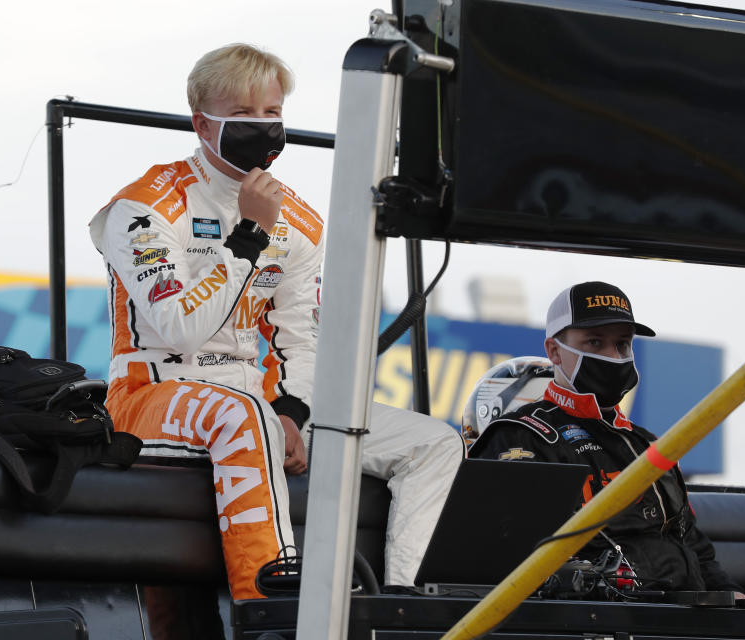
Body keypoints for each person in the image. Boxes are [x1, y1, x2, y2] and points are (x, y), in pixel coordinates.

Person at [89, 44, 465, 602]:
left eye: (272, 113)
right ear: (201, 122)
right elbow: (178, 329)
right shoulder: (142, 209)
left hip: (258, 402)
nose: (263, 128)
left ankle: (405, 606)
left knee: (432, 441)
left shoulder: (301, 221)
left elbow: (303, 339)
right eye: (244, 115)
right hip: (151, 392)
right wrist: (247, 238)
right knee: (244, 417)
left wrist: (292, 412)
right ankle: (268, 607)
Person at [470, 281, 745, 596]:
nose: (614, 356)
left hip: (684, 613)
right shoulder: (520, 437)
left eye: (623, 344)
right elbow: (504, 557)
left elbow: (693, 545)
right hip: (601, 619)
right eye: (595, 342)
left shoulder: (649, 445)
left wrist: (731, 596)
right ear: (554, 351)